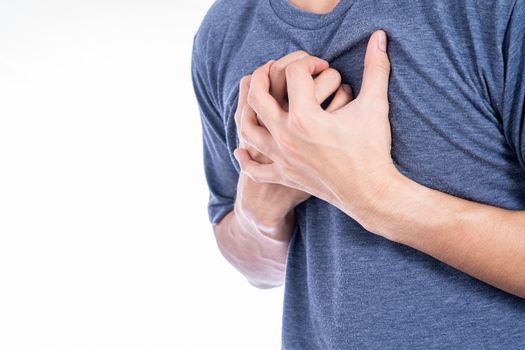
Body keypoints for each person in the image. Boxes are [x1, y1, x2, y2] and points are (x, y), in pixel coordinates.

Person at [191, 0, 525, 348]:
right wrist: (257, 211)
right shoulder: (224, 29)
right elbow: (256, 267)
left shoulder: (495, 10)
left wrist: (376, 196)